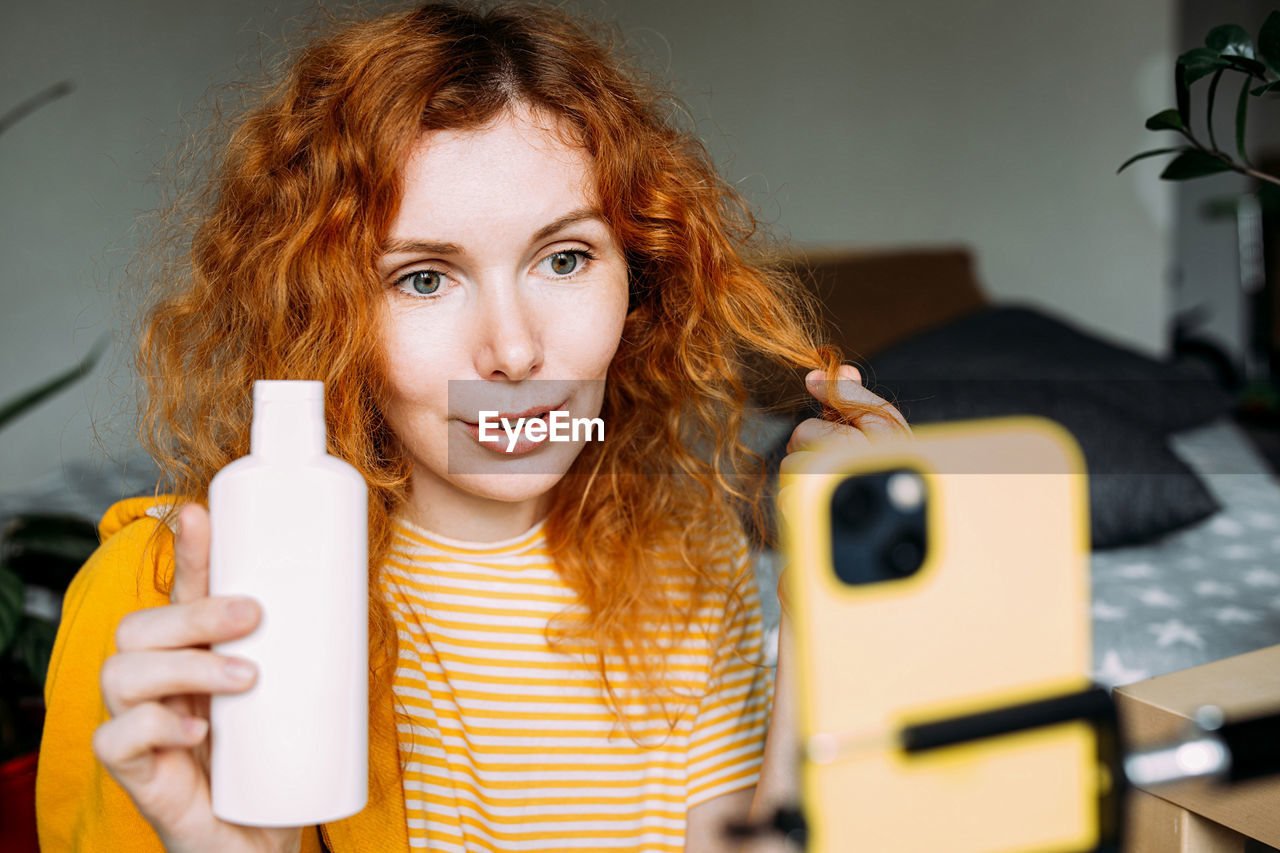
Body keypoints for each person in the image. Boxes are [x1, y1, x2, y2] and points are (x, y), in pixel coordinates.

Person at [35, 2, 911, 851]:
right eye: (424, 277)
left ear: (638, 278)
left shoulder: (693, 559)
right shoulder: (179, 605)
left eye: (564, 258)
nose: (515, 350)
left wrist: (826, 627)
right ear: (326, 312)